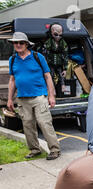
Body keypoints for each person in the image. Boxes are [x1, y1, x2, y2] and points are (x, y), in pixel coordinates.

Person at [6, 32, 61, 160]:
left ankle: (54, 150)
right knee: (28, 125)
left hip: (39, 96)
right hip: (22, 98)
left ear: (26, 44)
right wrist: (9, 99)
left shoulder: (38, 57)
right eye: (15, 42)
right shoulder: (12, 59)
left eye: (21, 42)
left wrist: (51, 96)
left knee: (44, 122)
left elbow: (48, 76)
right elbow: (12, 80)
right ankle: (35, 150)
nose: (18, 45)